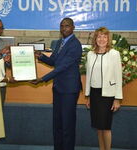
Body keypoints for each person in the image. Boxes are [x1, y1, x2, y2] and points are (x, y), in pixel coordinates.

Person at [31, 18, 82, 150]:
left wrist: (43, 79)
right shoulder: (60, 42)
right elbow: (54, 61)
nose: (64, 28)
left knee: (67, 126)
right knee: (58, 124)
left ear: (73, 28)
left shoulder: (75, 45)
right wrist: (40, 56)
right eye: (61, 26)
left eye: (67, 26)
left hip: (69, 91)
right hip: (58, 88)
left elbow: (62, 67)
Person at [85, 27, 122, 150]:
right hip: (94, 94)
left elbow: (118, 76)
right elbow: (89, 76)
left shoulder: (114, 54)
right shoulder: (90, 54)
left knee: (106, 127)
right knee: (98, 127)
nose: (101, 39)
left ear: (108, 39)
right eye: (99, 36)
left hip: (108, 95)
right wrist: (88, 95)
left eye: (104, 37)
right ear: (95, 39)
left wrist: (117, 99)